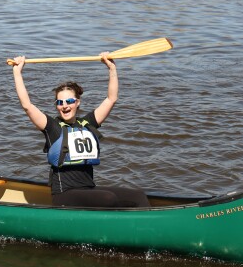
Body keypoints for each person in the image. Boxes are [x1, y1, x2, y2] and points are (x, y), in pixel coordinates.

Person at [11, 53, 150, 208]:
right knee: (107, 198)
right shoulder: (52, 127)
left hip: (88, 190)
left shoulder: (87, 123)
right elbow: (27, 105)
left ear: (77, 102)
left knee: (138, 196)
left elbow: (111, 99)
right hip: (64, 195)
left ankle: (147, 226)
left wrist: (112, 68)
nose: (65, 106)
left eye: (69, 101)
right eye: (60, 102)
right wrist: (17, 72)